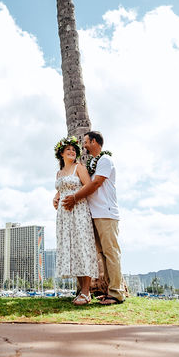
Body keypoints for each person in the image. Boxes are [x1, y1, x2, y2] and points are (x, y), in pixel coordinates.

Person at [62, 130, 125, 305]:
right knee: (103, 254)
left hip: (106, 212)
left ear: (95, 142)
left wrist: (75, 198)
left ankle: (117, 293)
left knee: (111, 252)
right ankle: (109, 291)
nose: (84, 145)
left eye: (86, 142)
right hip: (94, 214)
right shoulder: (93, 163)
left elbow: (96, 183)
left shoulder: (105, 160)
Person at [51, 138, 99, 305]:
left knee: (82, 247)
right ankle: (82, 291)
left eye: (74, 149)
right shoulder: (59, 173)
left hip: (78, 211)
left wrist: (74, 198)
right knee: (73, 251)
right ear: (61, 153)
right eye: (68, 149)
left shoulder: (79, 168)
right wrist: (56, 199)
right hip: (64, 216)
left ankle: (86, 292)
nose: (72, 152)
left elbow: (89, 186)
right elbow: (60, 191)